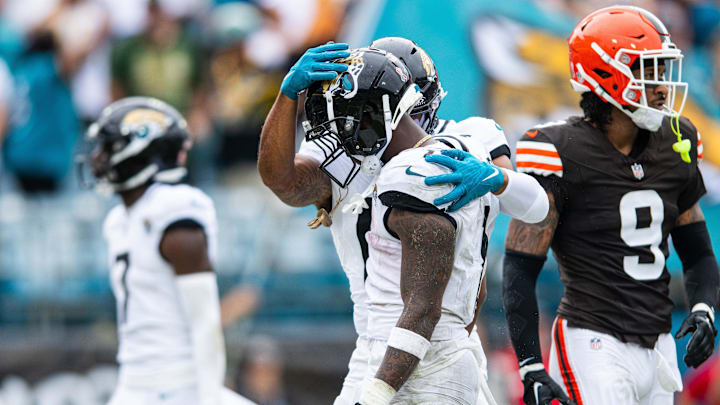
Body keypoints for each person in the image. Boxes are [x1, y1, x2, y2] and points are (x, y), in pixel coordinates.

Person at [258, 39, 548, 404]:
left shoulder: (472, 138)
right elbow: (283, 182)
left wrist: (495, 177)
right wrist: (287, 97)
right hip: (374, 341)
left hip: (440, 342)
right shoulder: (347, 150)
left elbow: (538, 208)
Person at [500, 6, 720, 405]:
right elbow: (519, 265)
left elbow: (698, 251)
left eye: (663, 69)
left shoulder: (676, 141)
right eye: (648, 70)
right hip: (593, 340)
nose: (662, 86)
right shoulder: (558, 149)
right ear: (607, 74)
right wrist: (530, 363)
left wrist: (704, 306)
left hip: (658, 347)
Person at [88, 97, 255, 405]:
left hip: (178, 385)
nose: (97, 157)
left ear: (139, 150)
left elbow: (204, 322)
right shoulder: (119, 221)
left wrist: (208, 397)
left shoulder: (173, 211)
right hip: (136, 383)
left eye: (107, 147)